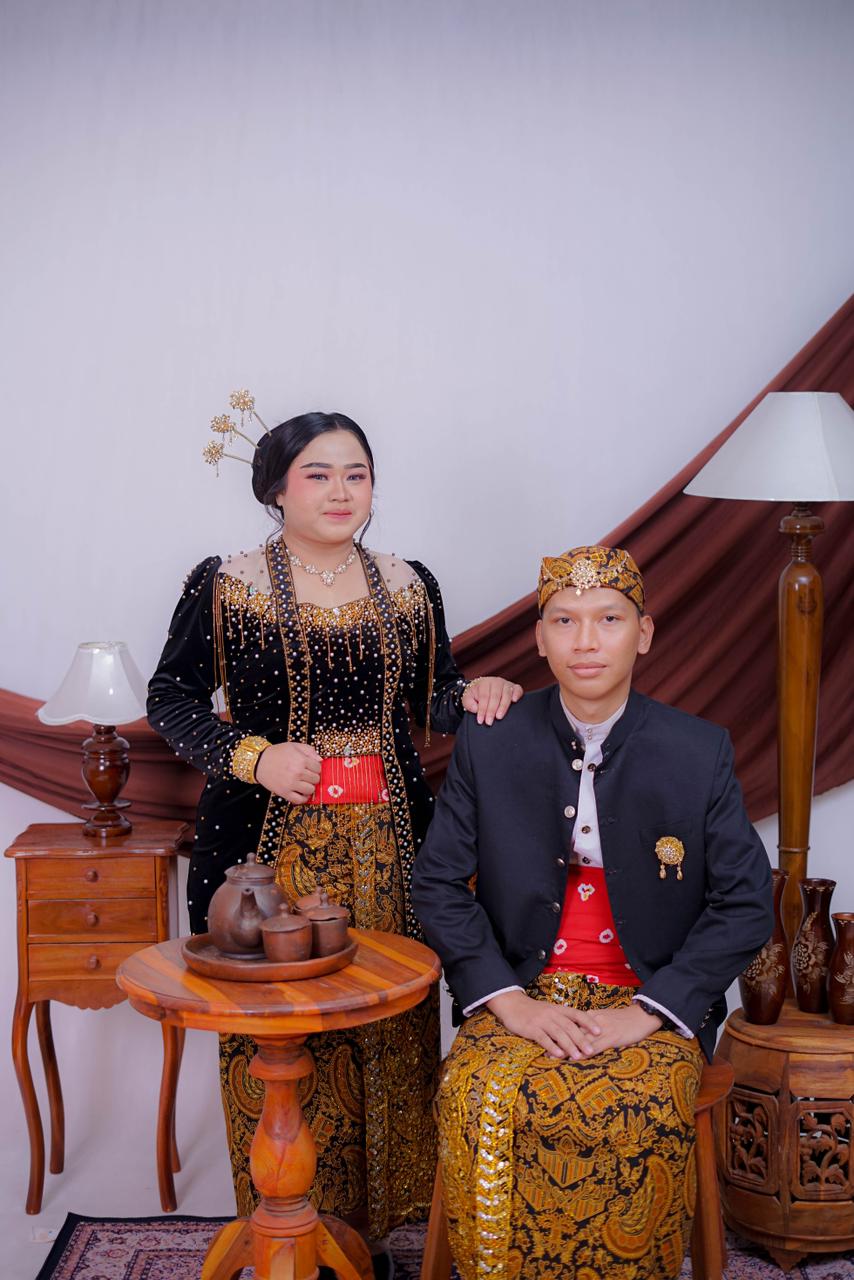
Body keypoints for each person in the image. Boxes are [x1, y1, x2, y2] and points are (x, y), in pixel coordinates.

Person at [147, 408, 522, 1249]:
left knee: (388, 1020)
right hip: (264, 852)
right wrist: (255, 758)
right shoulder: (227, 584)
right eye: (318, 474)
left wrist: (475, 694)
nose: (341, 491)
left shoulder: (408, 583)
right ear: (276, 489)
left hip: (392, 845)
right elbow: (169, 699)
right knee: (279, 1031)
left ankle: (378, 1236)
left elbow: (432, 699)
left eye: (357, 473)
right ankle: (289, 1230)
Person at [411, 544, 773, 1280]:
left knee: (637, 1110)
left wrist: (649, 1012)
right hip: (522, 991)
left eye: (608, 619)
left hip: (649, 1000)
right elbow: (437, 884)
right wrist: (509, 1003)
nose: (585, 641)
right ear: (539, 638)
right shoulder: (491, 739)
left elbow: (745, 903)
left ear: (643, 634)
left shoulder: (697, 750)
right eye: (564, 621)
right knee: (476, 1097)